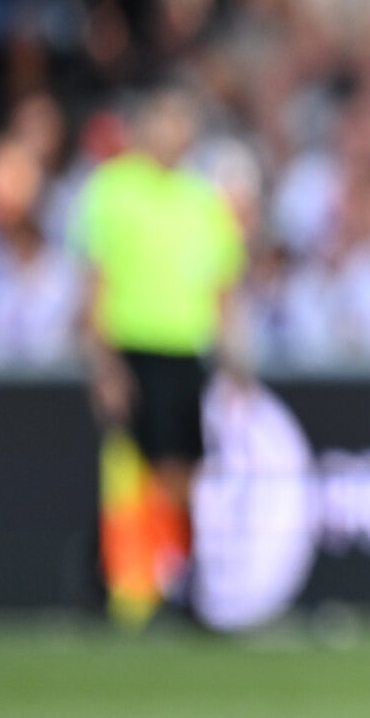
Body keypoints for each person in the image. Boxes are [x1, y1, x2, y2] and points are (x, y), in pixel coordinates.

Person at [75, 87, 248, 619]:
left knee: (182, 473)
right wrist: (103, 362)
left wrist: (235, 359)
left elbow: (222, 291)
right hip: (135, 348)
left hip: (183, 353)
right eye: (164, 124)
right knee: (140, 474)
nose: (173, 136)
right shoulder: (113, 191)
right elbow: (95, 285)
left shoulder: (203, 200)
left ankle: (172, 583)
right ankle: (116, 582)